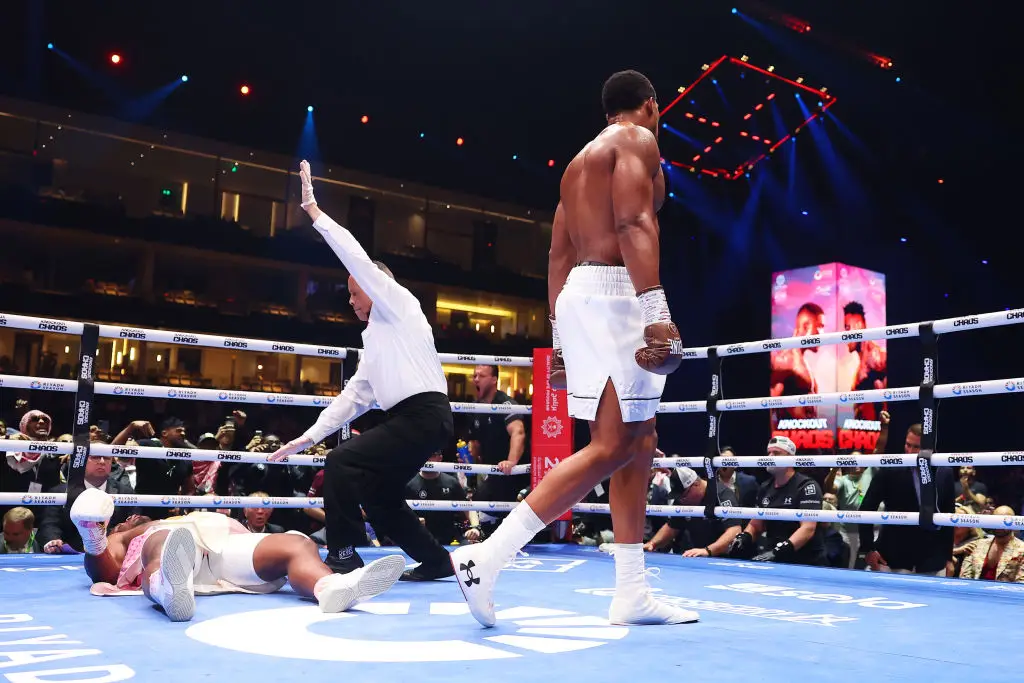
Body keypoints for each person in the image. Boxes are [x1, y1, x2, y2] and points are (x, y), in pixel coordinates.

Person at [449, 70, 696, 628]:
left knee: (640, 437)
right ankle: (486, 557)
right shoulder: (636, 141)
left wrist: (560, 340)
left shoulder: (575, 168)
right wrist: (656, 312)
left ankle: (631, 592)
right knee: (613, 444)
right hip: (617, 293)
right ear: (651, 107)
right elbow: (635, 221)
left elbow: (558, 257)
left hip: (581, 296)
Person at [270, 160, 456, 582]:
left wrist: (315, 213)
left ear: (374, 288)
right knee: (379, 493)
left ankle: (344, 555)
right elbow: (353, 397)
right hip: (416, 420)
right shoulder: (374, 340)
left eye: (356, 293)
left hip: (422, 414)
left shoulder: (400, 305)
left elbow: (354, 254)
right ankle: (435, 560)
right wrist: (306, 437)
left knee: (341, 463)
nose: (351, 301)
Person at [70, 488, 405, 621]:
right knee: (167, 541)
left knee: (296, 543)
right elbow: (106, 572)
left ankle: (330, 589)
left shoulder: (186, 518)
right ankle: (168, 589)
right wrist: (94, 536)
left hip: (225, 542)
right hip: (177, 546)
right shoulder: (134, 532)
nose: (131, 517)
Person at [859, 423, 955, 575]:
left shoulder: (944, 472)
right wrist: (868, 549)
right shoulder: (889, 469)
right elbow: (865, 509)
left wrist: (948, 557)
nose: (910, 451)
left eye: (916, 447)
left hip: (932, 559)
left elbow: (949, 515)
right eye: (907, 445)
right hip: (893, 556)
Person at [728, 436, 827, 565]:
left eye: (776, 453)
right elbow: (756, 524)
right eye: (769, 452)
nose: (770, 456)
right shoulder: (765, 487)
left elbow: (808, 528)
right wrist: (744, 537)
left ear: (790, 458)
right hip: (775, 558)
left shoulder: (806, 486)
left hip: (806, 560)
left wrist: (779, 551)